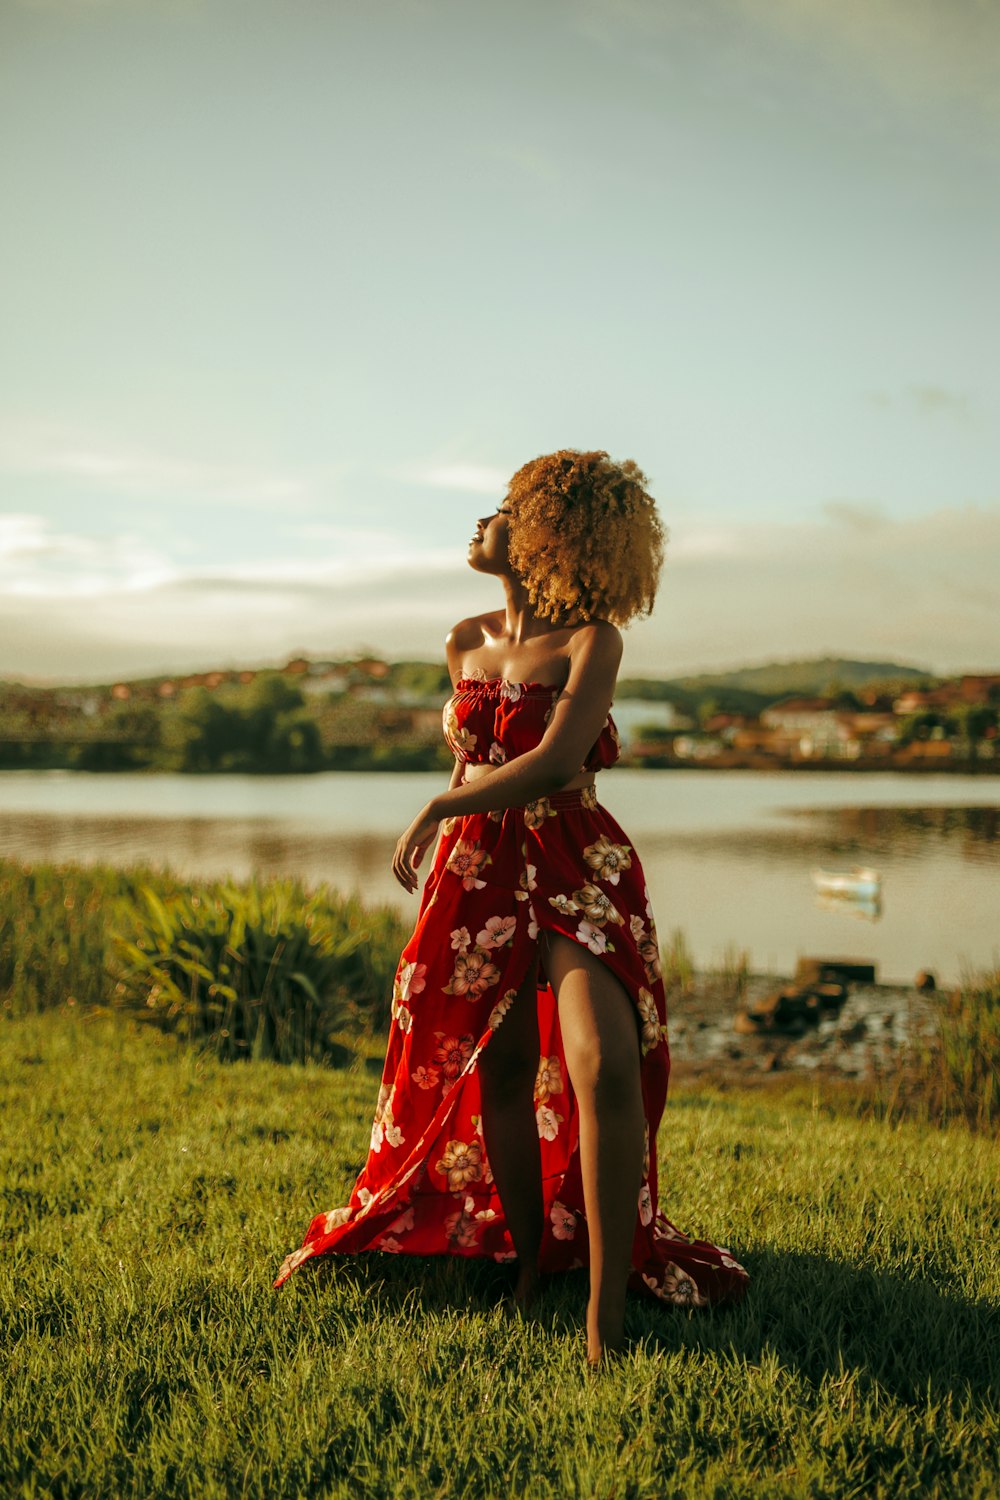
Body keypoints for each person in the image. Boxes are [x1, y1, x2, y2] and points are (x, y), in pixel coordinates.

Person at [275, 449, 748, 1362]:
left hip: (574, 855)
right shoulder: (462, 636)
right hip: (477, 867)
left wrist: (440, 805)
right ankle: (532, 1263)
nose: (480, 523)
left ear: (546, 534)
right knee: (495, 1070)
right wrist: (452, 819)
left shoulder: (592, 641)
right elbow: (475, 750)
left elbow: (558, 760)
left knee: (605, 1063)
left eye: (502, 511)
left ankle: (604, 1316)